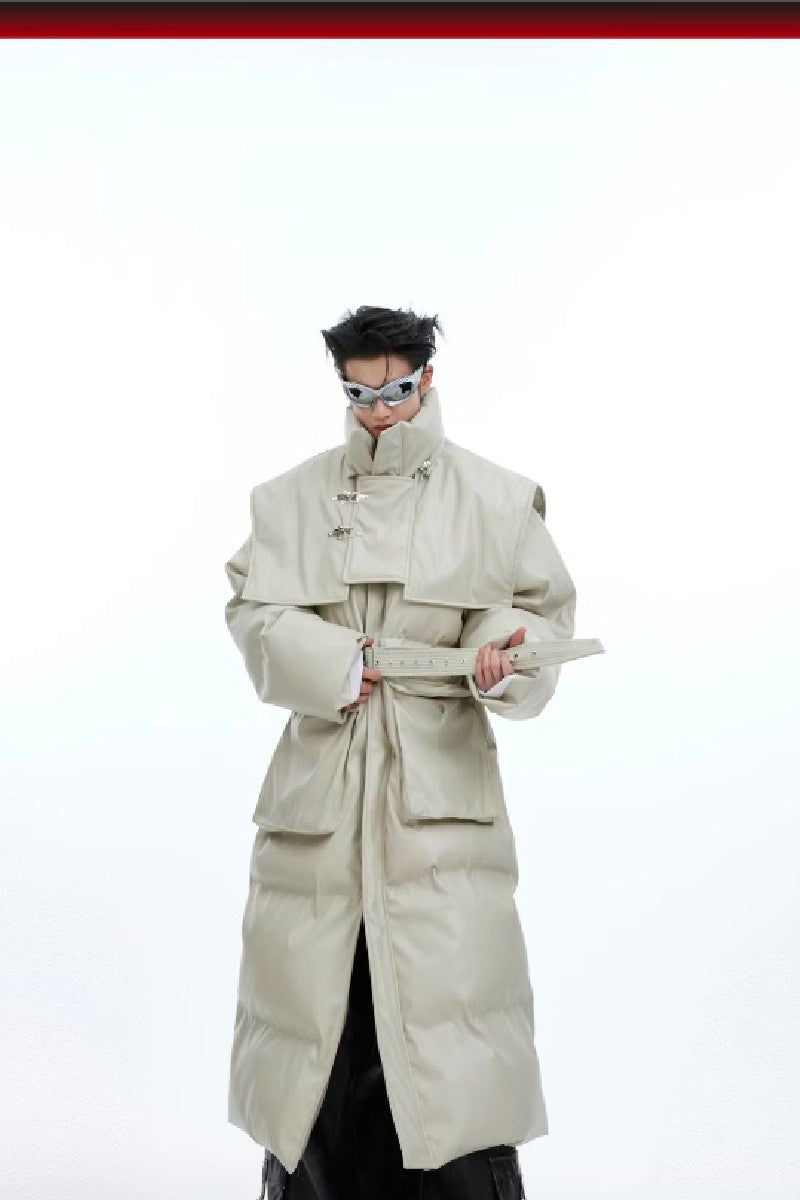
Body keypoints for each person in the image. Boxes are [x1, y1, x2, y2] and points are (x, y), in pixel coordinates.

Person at [223, 305, 596, 1200]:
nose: (378, 412)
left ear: (426, 379)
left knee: (449, 1051)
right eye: (359, 395)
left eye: (393, 391)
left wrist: (501, 655)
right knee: (315, 1050)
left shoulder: (494, 498)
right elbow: (252, 610)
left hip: (439, 806)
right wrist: (334, 663)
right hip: (317, 805)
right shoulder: (289, 500)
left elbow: (537, 614)